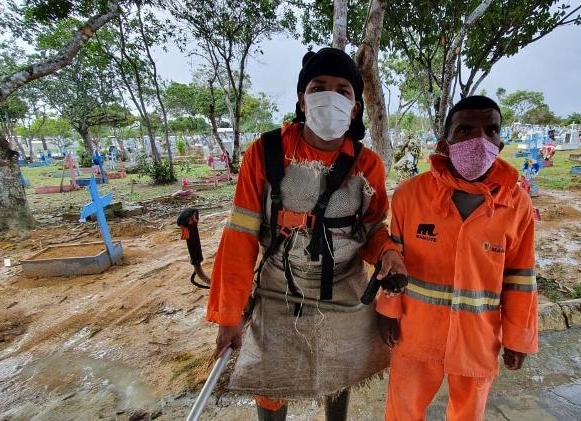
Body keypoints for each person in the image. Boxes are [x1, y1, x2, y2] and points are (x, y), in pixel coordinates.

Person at [207, 47, 406, 421]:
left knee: (339, 372)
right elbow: (240, 236)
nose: (329, 96)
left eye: (343, 90)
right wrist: (228, 317)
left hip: (346, 290)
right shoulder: (265, 152)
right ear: (302, 99)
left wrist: (387, 253)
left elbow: (373, 229)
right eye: (318, 87)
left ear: (356, 107)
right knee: (271, 380)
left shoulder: (368, 164)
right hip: (277, 289)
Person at [377, 95, 538, 420]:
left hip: (478, 338)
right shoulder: (410, 195)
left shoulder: (517, 204)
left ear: (500, 141)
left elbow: (521, 277)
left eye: (490, 130)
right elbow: (393, 260)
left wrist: (518, 336)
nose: (479, 140)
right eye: (465, 130)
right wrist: (387, 311)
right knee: (402, 411)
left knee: (468, 414)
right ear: (444, 143)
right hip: (416, 334)